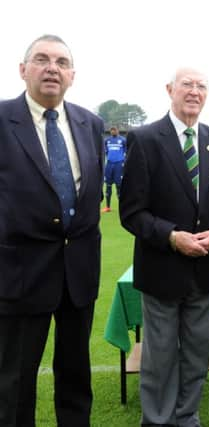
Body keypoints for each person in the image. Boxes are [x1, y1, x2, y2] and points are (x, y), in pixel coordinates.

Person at [119, 66, 209, 427]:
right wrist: (171, 236)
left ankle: (187, 417)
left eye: (202, 86)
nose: (194, 91)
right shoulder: (145, 138)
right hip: (162, 269)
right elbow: (132, 212)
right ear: (170, 89)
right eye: (187, 84)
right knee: (160, 356)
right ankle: (157, 420)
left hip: (205, 267)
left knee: (198, 353)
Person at [0, 34, 104, 427]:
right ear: (22, 69)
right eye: (41, 59)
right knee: (15, 381)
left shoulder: (89, 123)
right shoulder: (3, 119)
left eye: (61, 62)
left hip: (77, 271)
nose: (52, 68)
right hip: (20, 273)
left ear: (72, 75)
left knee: (76, 375)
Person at [102, 126, 127, 212]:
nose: (113, 132)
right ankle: (108, 207)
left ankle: (122, 207)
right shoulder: (107, 140)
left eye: (114, 130)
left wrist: (124, 162)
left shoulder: (123, 140)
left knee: (119, 186)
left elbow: (126, 152)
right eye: (111, 130)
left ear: (117, 131)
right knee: (108, 185)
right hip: (109, 164)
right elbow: (105, 151)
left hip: (119, 164)